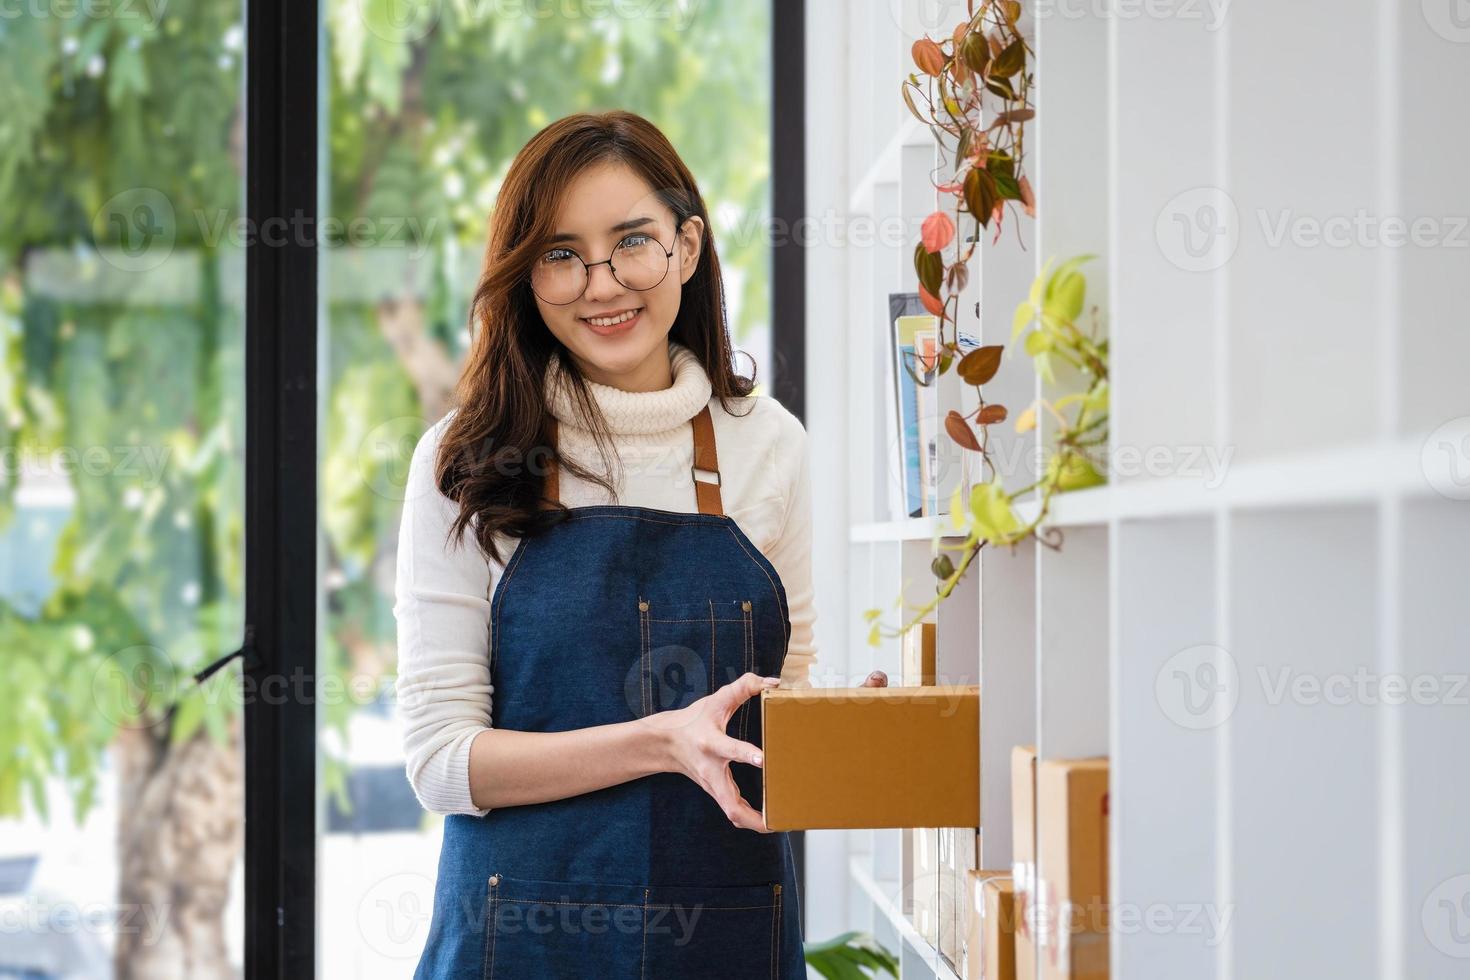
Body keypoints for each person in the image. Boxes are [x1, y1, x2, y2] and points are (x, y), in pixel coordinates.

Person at [393, 110, 886, 979]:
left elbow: (782, 705)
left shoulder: (767, 445)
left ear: (687, 248)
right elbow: (440, 764)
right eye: (560, 254)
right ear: (525, 275)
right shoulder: (464, 458)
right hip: (517, 946)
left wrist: (837, 731)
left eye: (633, 242)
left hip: (725, 934)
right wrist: (662, 740)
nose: (601, 283)